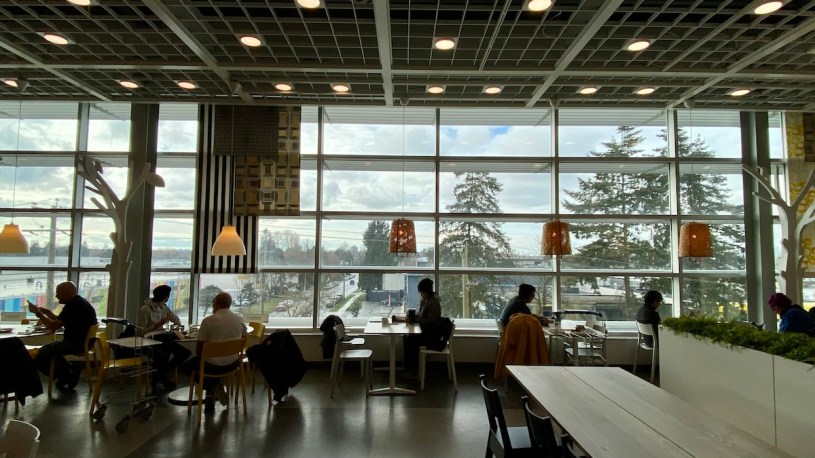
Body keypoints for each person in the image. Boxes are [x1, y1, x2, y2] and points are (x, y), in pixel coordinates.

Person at [29, 281, 97, 391]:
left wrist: (38, 313)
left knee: (39, 354)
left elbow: (53, 326)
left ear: (67, 293)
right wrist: (47, 312)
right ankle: (70, 370)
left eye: (58, 293)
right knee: (47, 350)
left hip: (75, 344)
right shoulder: (79, 302)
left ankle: (64, 375)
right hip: (84, 342)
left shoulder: (73, 306)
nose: (56, 296)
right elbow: (61, 321)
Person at [186, 292, 247, 412]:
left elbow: (200, 349)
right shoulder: (240, 319)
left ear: (216, 304)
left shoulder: (208, 321)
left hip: (212, 367)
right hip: (233, 364)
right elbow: (244, 339)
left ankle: (212, 387)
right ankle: (213, 389)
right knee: (207, 364)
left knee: (187, 365)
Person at [136, 285, 190, 390]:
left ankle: (158, 375)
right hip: (147, 342)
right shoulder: (145, 310)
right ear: (166, 297)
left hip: (161, 339)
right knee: (162, 356)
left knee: (185, 353)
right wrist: (156, 325)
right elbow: (139, 332)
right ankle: (160, 377)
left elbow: (176, 320)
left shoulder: (164, 308)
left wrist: (175, 323)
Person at [398, 278, 441, 376]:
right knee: (406, 337)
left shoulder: (434, 303)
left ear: (427, 291)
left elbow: (431, 321)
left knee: (410, 341)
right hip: (423, 331)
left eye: (422, 293)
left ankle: (413, 370)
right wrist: (411, 316)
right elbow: (420, 315)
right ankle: (408, 366)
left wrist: (414, 320)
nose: (421, 295)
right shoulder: (425, 300)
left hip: (430, 334)